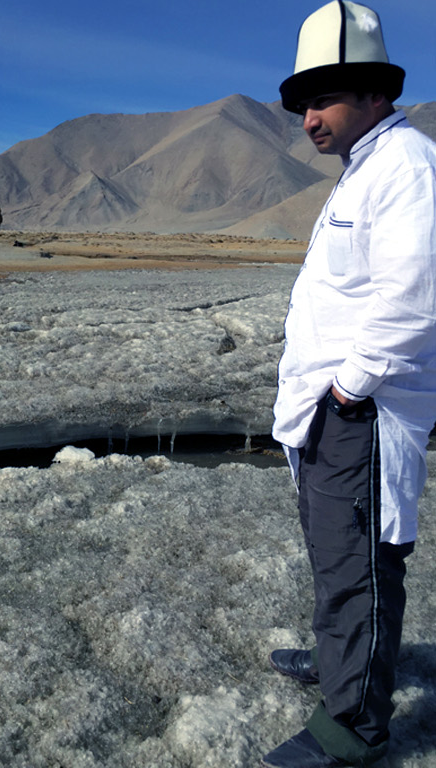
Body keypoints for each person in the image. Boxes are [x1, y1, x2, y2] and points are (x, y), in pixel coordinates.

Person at [267, 1, 436, 766]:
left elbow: (414, 295)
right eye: (304, 102)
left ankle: (354, 727)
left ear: (374, 92)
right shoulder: (362, 171)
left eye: (326, 98)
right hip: (330, 409)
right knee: (337, 553)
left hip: (360, 411)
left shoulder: (405, 168)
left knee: (360, 561)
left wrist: (352, 387)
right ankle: (342, 666)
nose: (310, 117)